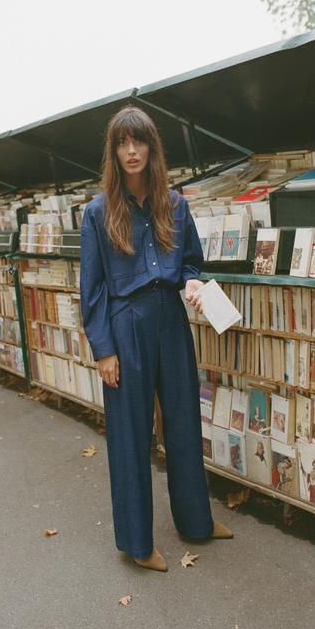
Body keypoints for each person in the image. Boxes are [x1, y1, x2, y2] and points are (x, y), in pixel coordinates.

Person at [80, 106, 233, 573]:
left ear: (151, 147)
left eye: (139, 142)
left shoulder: (175, 204)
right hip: (126, 324)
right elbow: (92, 289)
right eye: (123, 143)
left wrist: (190, 281)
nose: (132, 151)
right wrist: (104, 349)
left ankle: (196, 523)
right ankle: (137, 543)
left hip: (171, 318)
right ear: (114, 150)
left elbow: (191, 262)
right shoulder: (98, 211)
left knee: (184, 421)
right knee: (130, 434)